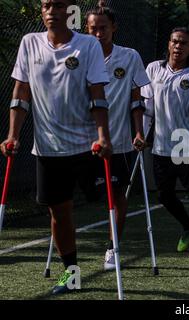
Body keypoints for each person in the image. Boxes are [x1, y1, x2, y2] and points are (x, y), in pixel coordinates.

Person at [0, 0, 111, 294]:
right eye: (47, 5)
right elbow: (20, 92)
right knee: (58, 213)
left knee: (107, 200)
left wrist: (104, 136)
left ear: (69, 11)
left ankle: (113, 249)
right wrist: (13, 134)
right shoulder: (29, 43)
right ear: (41, 11)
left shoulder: (87, 46)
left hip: (87, 146)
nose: (52, 11)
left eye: (58, 5)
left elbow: (97, 94)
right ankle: (71, 274)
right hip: (48, 148)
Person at [86, 1, 150, 271]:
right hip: (82, 139)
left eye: (103, 28)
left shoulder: (130, 56)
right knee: (76, 195)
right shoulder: (79, 55)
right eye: (93, 29)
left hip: (119, 140)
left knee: (118, 195)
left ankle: (113, 248)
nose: (98, 34)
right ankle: (69, 255)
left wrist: (139, 131)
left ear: (114, 27)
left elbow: (137, 98)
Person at [141, 27, 189, 252]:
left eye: (184, 43)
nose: (178, 46)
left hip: (186, 144)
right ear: (169, 44)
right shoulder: (153, 69)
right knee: (164, 195)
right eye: (175, 42)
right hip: (160, 145)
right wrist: (141, 134)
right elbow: (147, 108)